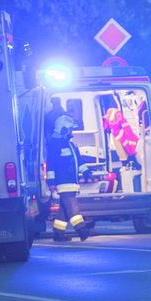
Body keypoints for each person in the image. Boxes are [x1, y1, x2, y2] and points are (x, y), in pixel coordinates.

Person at [46, 100, 91, 240]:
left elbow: (78, 161)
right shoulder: (55, 146)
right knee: (72, 206)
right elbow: (51, 165)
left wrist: (86, 172)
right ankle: (82, 230)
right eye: (70, 129)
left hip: (71, 180)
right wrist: (52, 182)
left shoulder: (70, 145)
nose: (72, 132)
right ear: (64, 130)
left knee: (64, 209)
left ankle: (58, 234)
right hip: (63, 181)